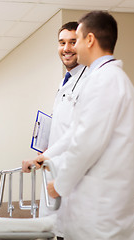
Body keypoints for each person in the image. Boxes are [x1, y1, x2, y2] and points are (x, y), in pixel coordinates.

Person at [24, 11, 134, 239]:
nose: (72, 47)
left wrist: (60, 185)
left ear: (89, 40)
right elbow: (77, 132)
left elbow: (85, 143)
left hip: (100, 212)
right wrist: (47, 156)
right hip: (98, 211)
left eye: (76, 39)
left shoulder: (105, 81)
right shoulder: (105, 79)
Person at [23, 21, 88, 239]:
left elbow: (82, 133)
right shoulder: (65, 82)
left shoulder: (89, 80)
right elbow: (63, 130)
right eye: (62, 42)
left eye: (72, 42)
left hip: (74, 181)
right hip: (55, 174)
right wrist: (45, 153)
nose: (66, 48)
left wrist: (44, 156)